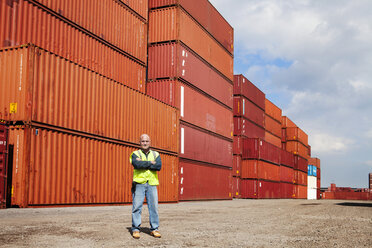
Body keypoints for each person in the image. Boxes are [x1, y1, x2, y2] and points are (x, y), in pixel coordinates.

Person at [130, 134, 162, 239]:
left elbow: (158, 166)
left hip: (152, 184)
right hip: (139, 184)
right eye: (143, 141)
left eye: (147, 141)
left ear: (150, 142)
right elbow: (137, 165)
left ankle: (154, 229)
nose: (145, 143)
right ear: (139, 142)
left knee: (154, 208)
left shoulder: (156, 154)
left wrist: (143, 163)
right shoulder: (135, 154)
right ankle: (135, 229)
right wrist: (150, 163)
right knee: (137, 207)